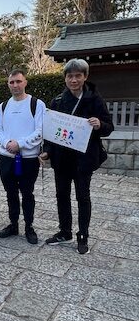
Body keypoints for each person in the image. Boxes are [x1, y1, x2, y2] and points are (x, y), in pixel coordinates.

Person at [39, 58, 114, 255]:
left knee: (83, 197)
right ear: (65, 78)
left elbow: (109, 127)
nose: (74, 80)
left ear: (85, 77)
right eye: (70, 76)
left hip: (84, 159)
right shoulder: (58, 101)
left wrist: (99, 124)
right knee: (62, 195)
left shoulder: (94, 99)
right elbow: (53, 132)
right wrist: (47, 151)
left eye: (78, 76)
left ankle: (83, 235)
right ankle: (65, 232)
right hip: (62, 159)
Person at [0, 69, 46, 244]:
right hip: (7, 158)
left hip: (28, 159)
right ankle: (13, 224)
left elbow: (40, 130)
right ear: (8, 84)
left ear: (25, 82)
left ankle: (29, 226)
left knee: (27, 193)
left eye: (18, 81)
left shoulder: (36, 104)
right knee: (10, 193)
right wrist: (7, 143)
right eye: (12, 82)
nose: (15, 85)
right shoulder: (3, 106)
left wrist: (20, 144)